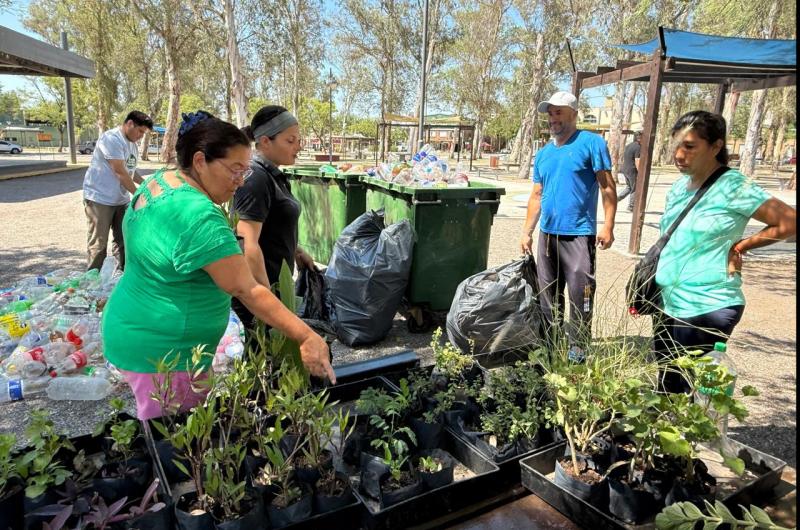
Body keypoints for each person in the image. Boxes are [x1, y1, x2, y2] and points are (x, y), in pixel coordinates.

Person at [102, 111, 335, 420]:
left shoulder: (160, 183)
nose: (241, 182)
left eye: (246, 171)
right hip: (166, 354)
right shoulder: (197, 215)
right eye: (234, 170)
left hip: (134, 326)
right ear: (200, 161)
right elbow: (247, 288)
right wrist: (307, 336)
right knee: (180, 444)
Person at [653, 110, 796, 392]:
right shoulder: (680, 187)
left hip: (706, 303)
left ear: (716, 146)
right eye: (676, 146)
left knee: (690, 391)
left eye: (690, 146)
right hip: (669, 302)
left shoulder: (733, 186)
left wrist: (743, 244)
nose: (679, 155)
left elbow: (788, 221)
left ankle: (698, 437)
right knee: (668, 385)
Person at [519, 91, 618, 359]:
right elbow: (537, 195)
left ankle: (578, 352)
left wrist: (608, 225)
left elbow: (607, 186)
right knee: (548, 298)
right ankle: (551, 349)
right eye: (550, 113)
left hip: (579, 235)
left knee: (580, 296)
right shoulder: (543, 154)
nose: (553, 118)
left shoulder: (591, 143)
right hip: (548, 236)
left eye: (559, 112)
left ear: (574, 113)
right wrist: (527, 232)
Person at [232, 105, 315, 329]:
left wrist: (297, 250)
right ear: (266, 141)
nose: (297, 147)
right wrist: (268, 302)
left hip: (275, 287)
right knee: (264, 359)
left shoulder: (273, 175)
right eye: (290, 141)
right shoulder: (256, 179)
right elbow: (247, 244)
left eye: (298, 140)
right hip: (261, 294)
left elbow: (272, 224)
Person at [82, 111, 154, 271]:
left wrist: (147, 186)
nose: (141, 136)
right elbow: (120, 172)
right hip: (99, 199)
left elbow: (130, 172)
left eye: (144, 133)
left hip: (121, 200)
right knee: (98, 244)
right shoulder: (111, 139)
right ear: (129, 124)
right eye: (140, 131)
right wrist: (140, 195)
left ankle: (120, 278)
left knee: (123, 241)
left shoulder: (133, 146)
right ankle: (92, 282)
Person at [617, 130, 642, 212]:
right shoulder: (638, 147)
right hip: (632, 170)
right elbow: (637, 160)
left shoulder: (628, 146)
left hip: (625, 169)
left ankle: (616, 199)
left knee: (629, 187)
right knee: (635, 188)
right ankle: (631, 207)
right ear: (639, 138)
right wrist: (640, 172)